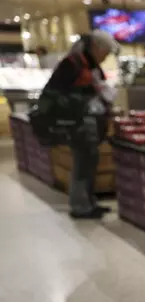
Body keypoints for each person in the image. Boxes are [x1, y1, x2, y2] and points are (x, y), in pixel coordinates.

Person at [40, 31, 118, 219]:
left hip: (89, 120)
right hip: (77, 121)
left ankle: (89, 202)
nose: (106, 57)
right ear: (96, 47)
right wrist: (82, 101)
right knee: (83, 163)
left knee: (90, 161)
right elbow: (56, 92)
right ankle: (80, 206)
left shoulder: (88, 63)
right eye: (105, 52)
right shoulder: (72, 63)